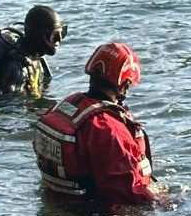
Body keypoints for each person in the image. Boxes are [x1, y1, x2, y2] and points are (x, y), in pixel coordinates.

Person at [33, 42, 156, 205]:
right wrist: (166, 204)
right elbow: (128, 192)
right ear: (125, 84)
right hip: (96, 212)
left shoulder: (66, 105)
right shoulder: (108, 129)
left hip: (58, 201)